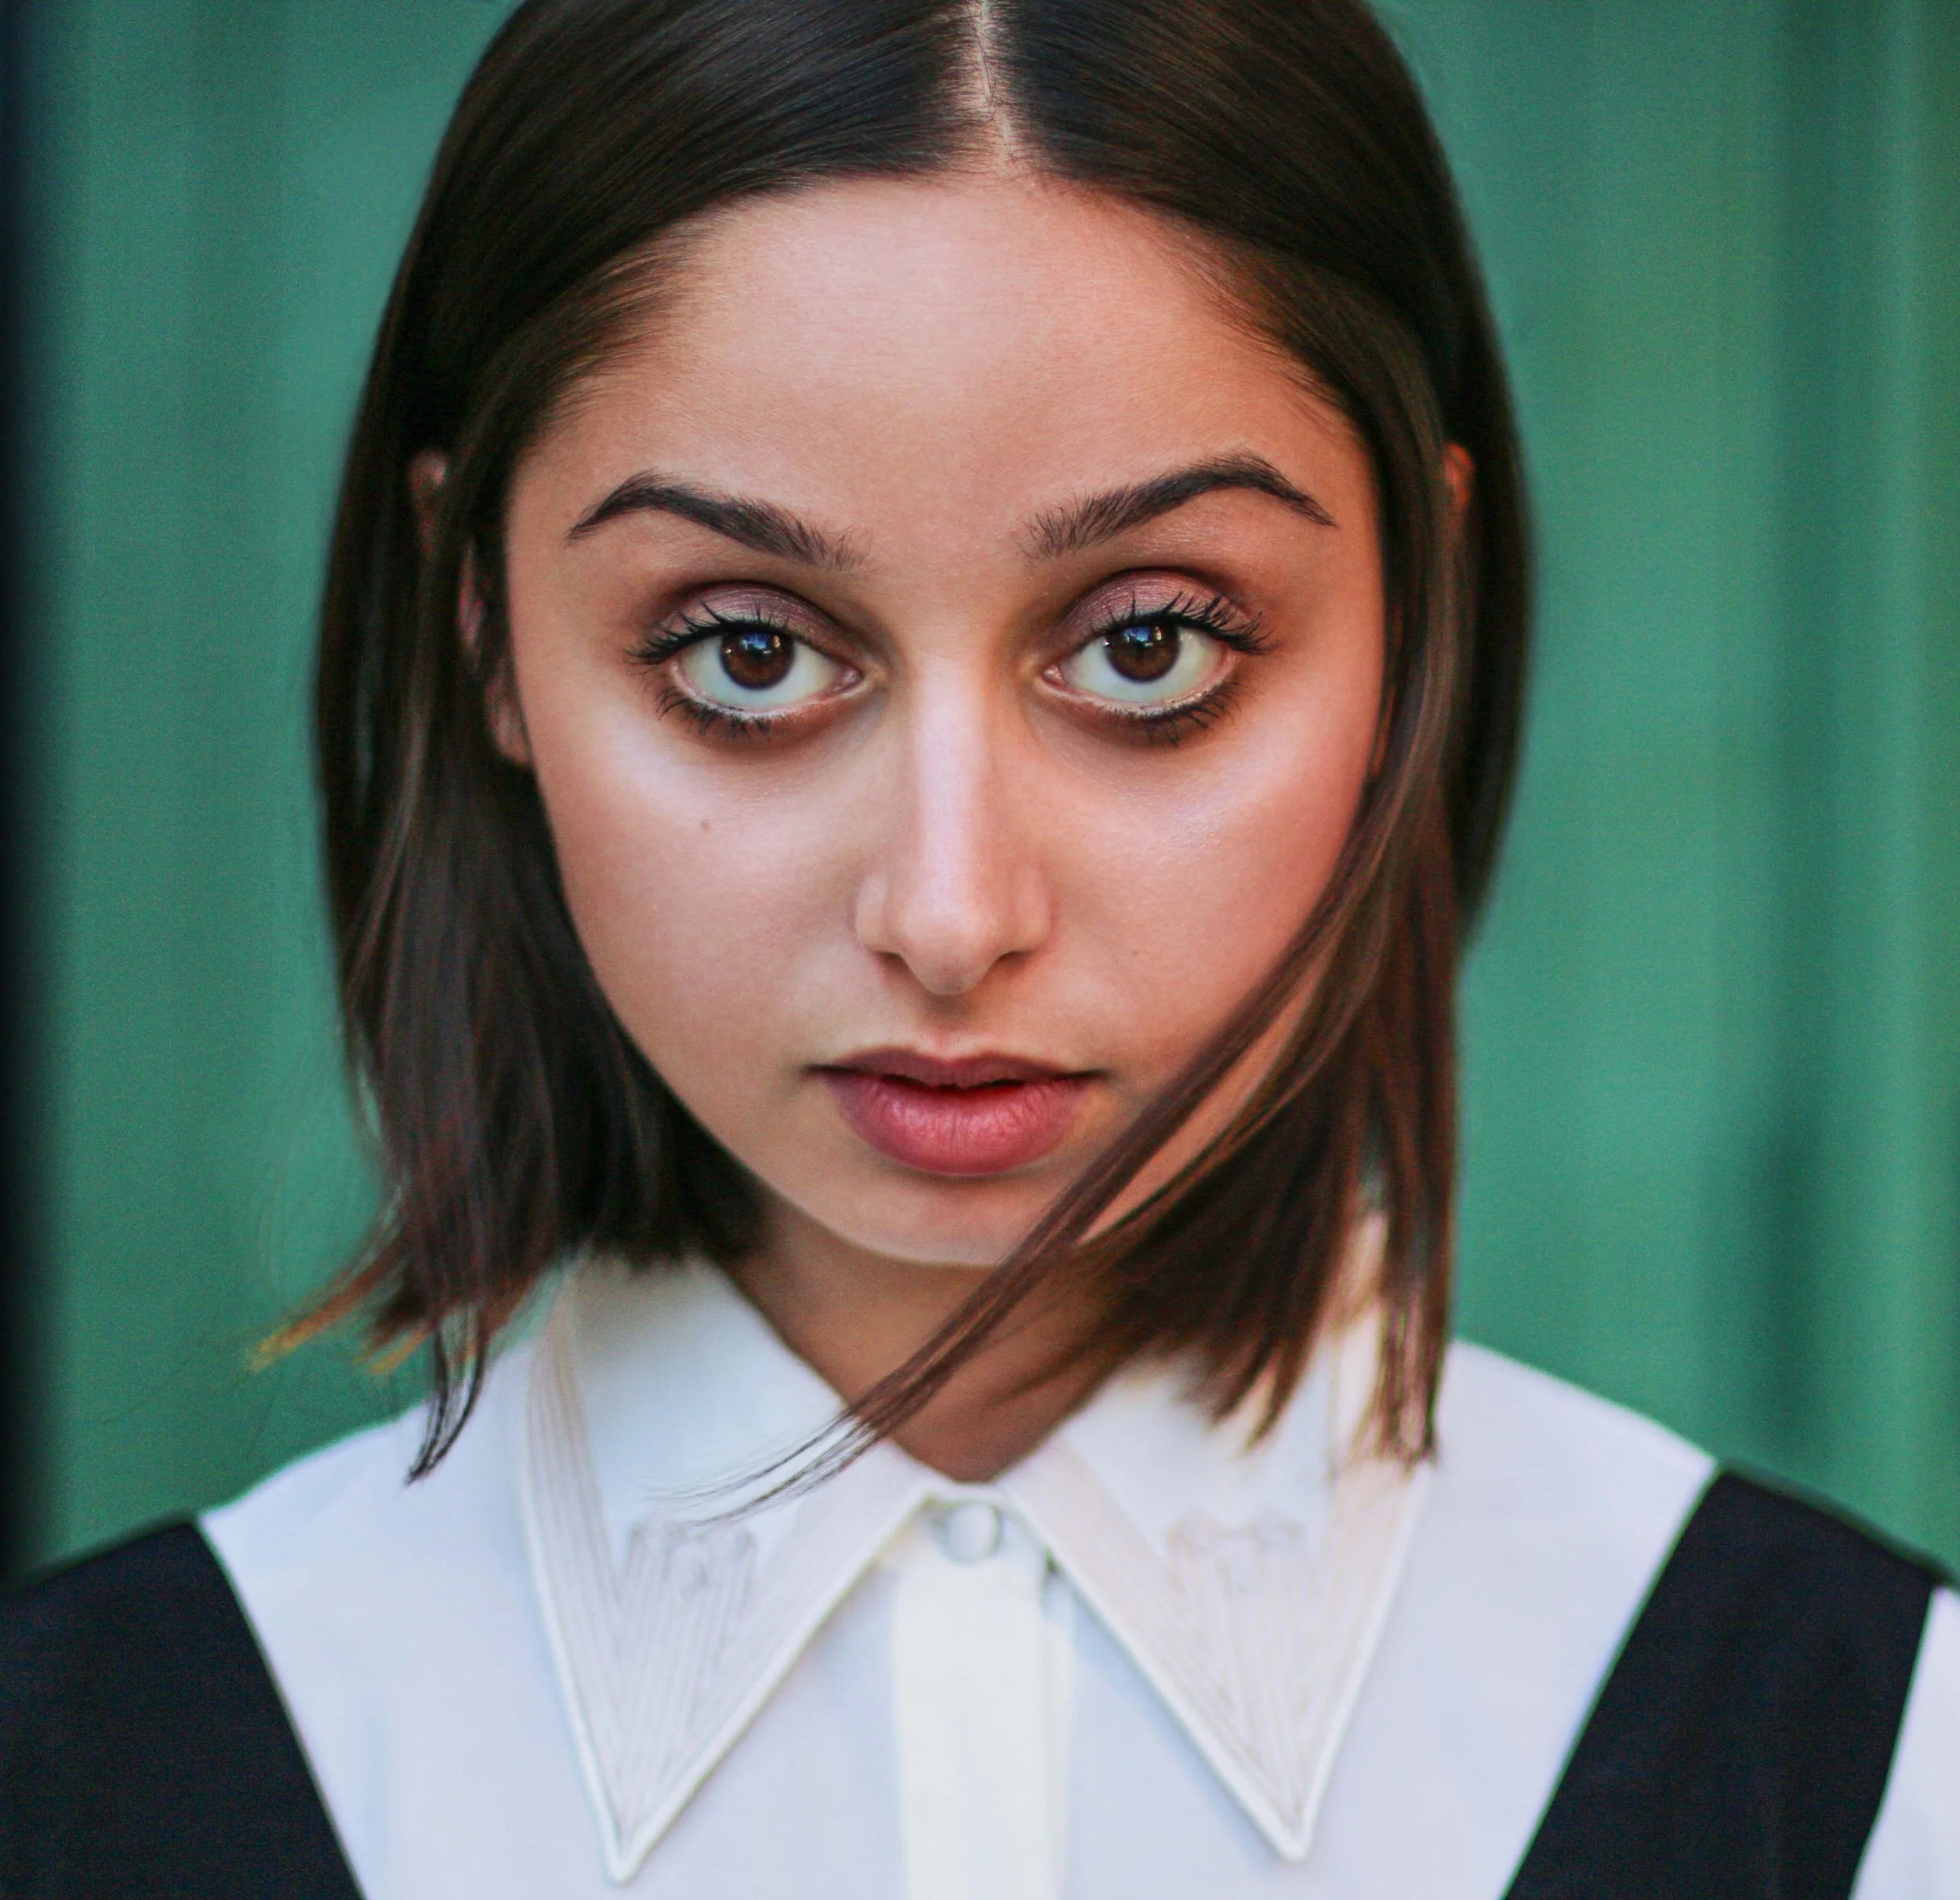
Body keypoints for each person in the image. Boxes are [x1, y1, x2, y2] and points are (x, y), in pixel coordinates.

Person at [2, 0, 1954, 1894]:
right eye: (744, 654)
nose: (948, 916)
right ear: (484, 627)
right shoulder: (84, 1777)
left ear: (1413, 614)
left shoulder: (1879, 1773)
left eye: (1148, 646)